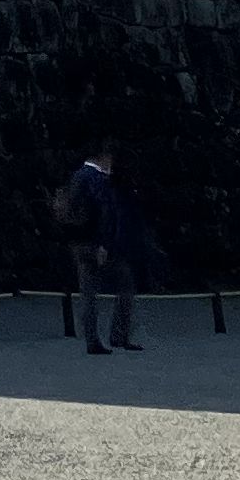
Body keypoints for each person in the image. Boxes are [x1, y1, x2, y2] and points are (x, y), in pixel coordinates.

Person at [56, 144, 143, 356]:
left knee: (89, 291)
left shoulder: (77, 177)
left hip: (78, 241)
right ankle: (118, 335)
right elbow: (104, 212)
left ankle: (93, 339)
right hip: (95, 242)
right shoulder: (96, 179)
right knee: (124, 283)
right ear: (103, 157)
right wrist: (104, 243)